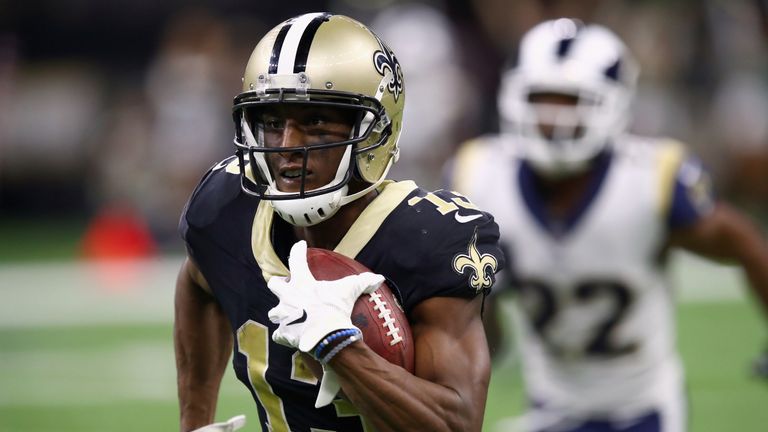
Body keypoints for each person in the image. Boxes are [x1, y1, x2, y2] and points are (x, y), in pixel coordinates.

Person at [174, 12, 505, 432]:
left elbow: (457, 424)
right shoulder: (227, 209)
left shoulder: (427, 239)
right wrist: (194, 420)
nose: (287, 147)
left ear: (373, 132)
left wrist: (341, 347)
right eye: (273, 124)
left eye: (314, 123)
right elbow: (198, 282)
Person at [449, 18, 768, 432]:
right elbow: (485, 335)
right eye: (542, 98)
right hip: (552, 409)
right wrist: (477, 304)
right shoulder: (478, 175)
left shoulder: (651, 180)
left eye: (570, 101)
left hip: (644, 413)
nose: (554, 118)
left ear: (613, 105)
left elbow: (743, 241)